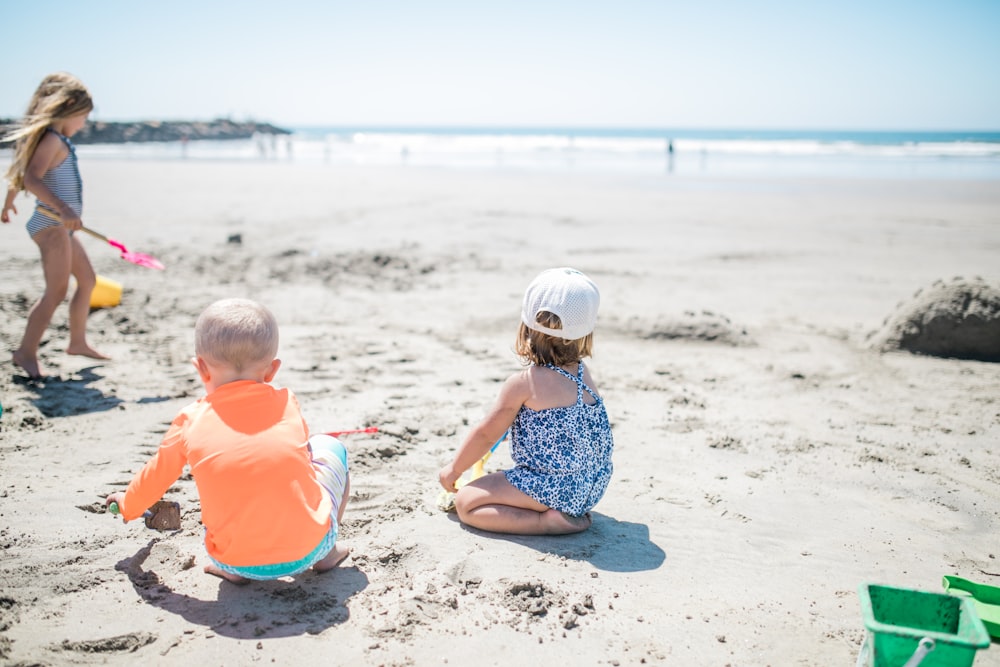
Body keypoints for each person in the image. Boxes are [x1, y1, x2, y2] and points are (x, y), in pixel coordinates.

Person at [105, 298, 351, 584]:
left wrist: (127, 504)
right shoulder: (287, 402)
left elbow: (156, 476)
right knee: (331, 447)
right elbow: (304, 460)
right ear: (272, 370)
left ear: (201, 369)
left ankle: (234, 572)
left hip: (233, 560)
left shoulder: (190, 420)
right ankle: (327, 554)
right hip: (308, 550)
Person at [439, 267, 614, 535]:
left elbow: (487, 433)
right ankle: (560, 512)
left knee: (467, 503)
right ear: (586, 333)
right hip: (590, 487)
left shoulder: (524, 383)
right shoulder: (582, 374)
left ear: (526, 326)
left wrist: (455, 469)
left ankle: (546, 522)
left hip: (553, 487)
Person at [1, 72, 108, 379]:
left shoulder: (56, 139)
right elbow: (32, 177)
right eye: (84, 117)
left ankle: (77, 342)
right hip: (51, 224)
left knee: (87, 280)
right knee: (55, 292)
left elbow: (23, 170)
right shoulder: (51, 139)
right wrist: (62, 208)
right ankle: (25, 352)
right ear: (70, 107)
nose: (84, 124)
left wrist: (9, 200)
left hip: (62, 227)